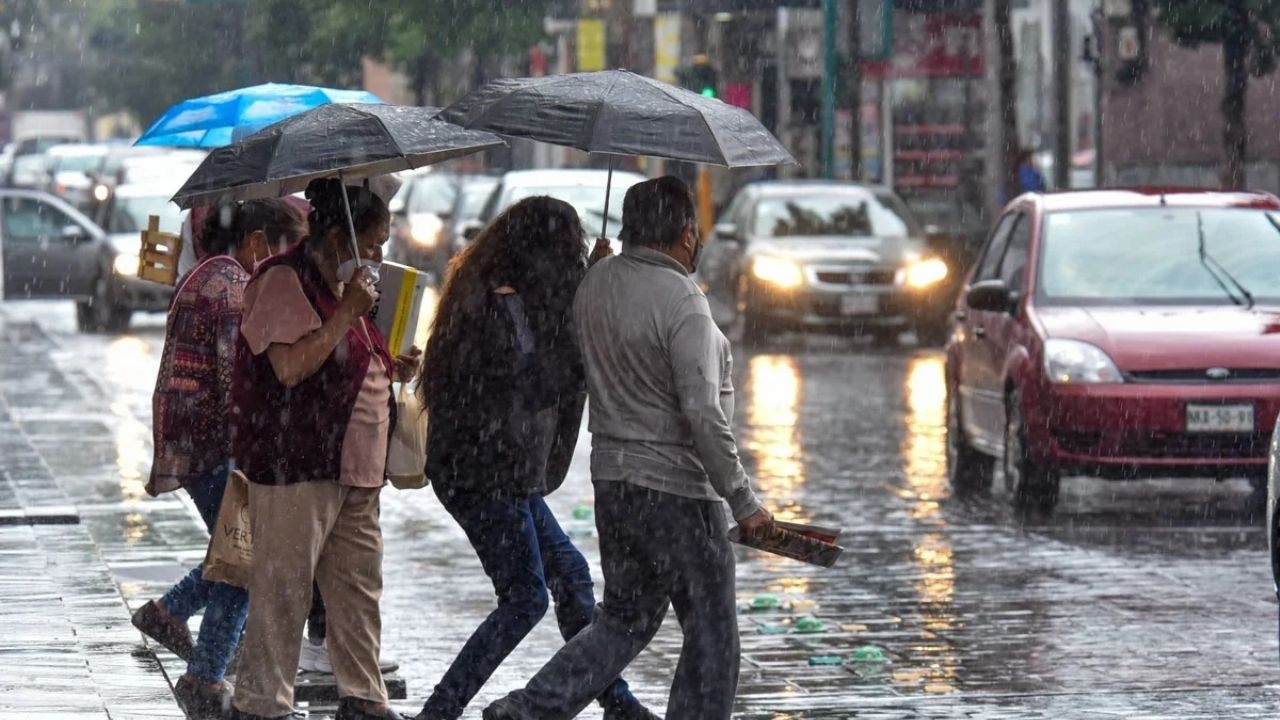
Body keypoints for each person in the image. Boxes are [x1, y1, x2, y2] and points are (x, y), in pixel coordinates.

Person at [484, 177, 774, 720]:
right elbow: (704, 414)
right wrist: (743, 501)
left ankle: (528, 710)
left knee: (624, 620)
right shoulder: (684, 301)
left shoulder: (595, 285)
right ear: (687, 234)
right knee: (712, 635)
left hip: (615, 485)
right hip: (680, 493)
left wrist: (597, 269)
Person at [410, 197, 657, 720]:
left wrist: (591, 285)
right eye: (567, 251)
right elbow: (533, 382)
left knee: (569, 574)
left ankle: (618, 702)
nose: (571, 260)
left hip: (505, 474)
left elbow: (551, 356)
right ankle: (441, 710)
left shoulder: (522, 299)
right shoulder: (491, 308)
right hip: (478, 474)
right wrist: (581, 336)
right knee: (525, 597)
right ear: (539, 252)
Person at [229, 178, 419, 720]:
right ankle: (262, 704)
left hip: (356, 468)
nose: (380, 255)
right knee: (283, 593)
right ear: (341, 236)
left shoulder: (349, 286)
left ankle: (362, 698)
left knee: (357, 592)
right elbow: (290, 367)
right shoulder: (283, 280)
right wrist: (346, 313)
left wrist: (388, 362)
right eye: (374, 243)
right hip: (297, 462)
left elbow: (349, 355)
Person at [133, 198, 306, 718]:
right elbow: (237, 381)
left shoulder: (208, 273)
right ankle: (204, 675)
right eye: (281, 251)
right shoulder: (231, 287)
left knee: (236, 551)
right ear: (256, 242)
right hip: (215, 445)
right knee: (244, 559)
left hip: (195, 440)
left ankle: (171, 614)